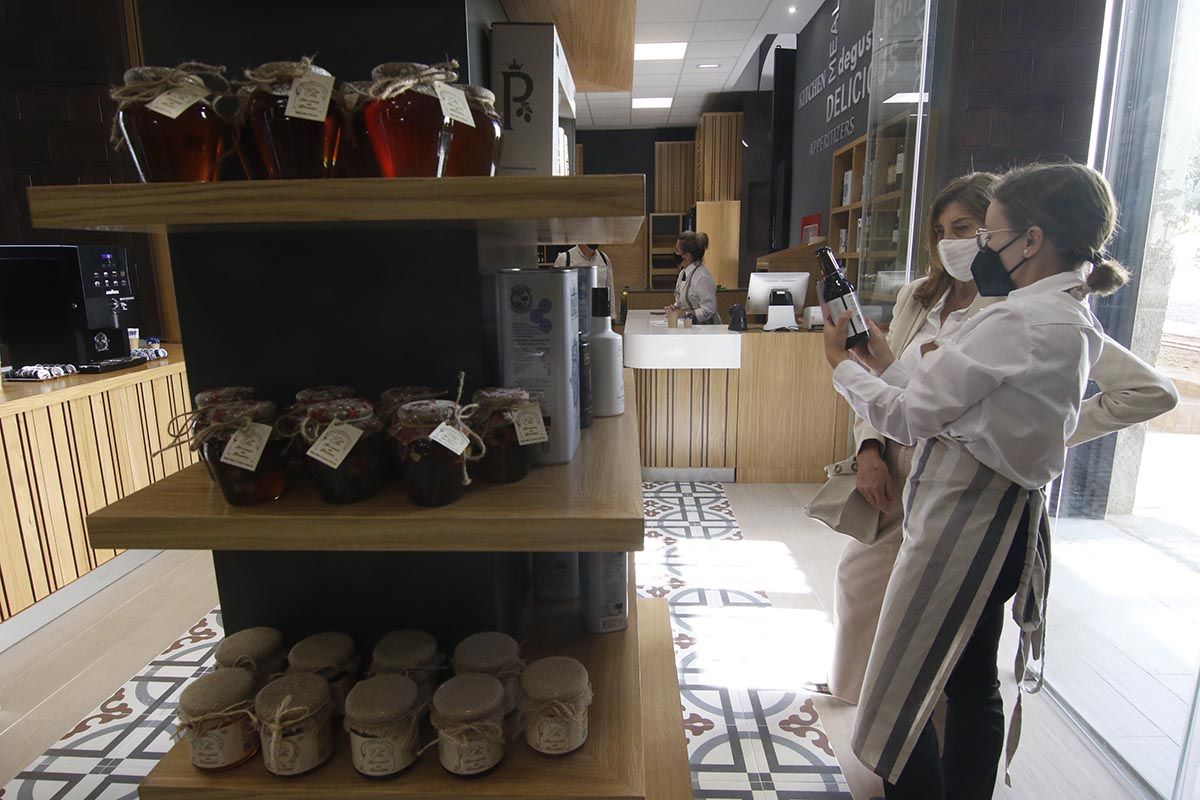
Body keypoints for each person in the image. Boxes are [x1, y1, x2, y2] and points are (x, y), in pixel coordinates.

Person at [821, 163, 1174, 799]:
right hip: (1001, 518)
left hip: (967, 520)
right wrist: (885, 363)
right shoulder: (1060, 313)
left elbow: (915, 413)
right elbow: (944, 397)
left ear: (1031, 240)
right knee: (969, 678)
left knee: (904, 682)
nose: (976, 247)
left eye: (987, 233)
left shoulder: (1020, 320)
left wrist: (841, 370)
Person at [668, 230, 720, 324]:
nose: (674, 252)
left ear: (687, 256)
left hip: (706, 329)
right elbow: (680, 300)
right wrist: (675, 308)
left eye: (677, 250)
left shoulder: (702, 277)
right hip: (690, 326)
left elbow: (709, 309)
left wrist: (685, 313)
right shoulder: (683, 273)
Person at [554, 243, 614, 316]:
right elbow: (556, 293)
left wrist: (612, 316)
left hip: (598, 316)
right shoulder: (565, 259)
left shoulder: (603, 259)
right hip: (573, 316)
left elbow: (610, 288)